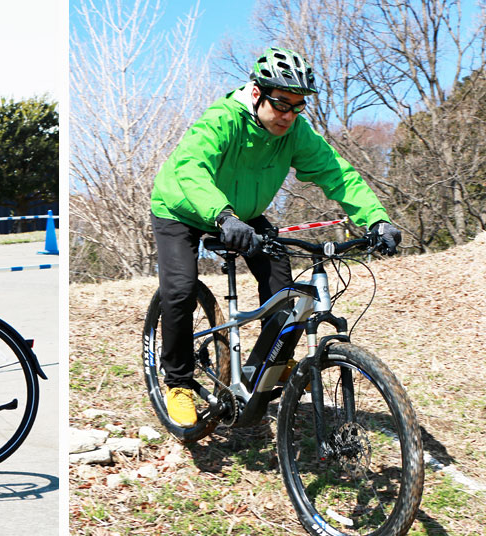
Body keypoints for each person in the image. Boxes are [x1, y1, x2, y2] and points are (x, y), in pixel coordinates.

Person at [150, 47, 401, 427]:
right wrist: (222, 216)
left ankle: (266, 366)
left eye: (297, 106)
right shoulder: (221, 120)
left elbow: (337, 174)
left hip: (243, 215)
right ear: (256, 93)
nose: (288, 115)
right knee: (181, 290)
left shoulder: (294, 132)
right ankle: (178, 383)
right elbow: (191, 168)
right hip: (182, 207)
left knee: (284, 293)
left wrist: (376, 219)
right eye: (281, 104)